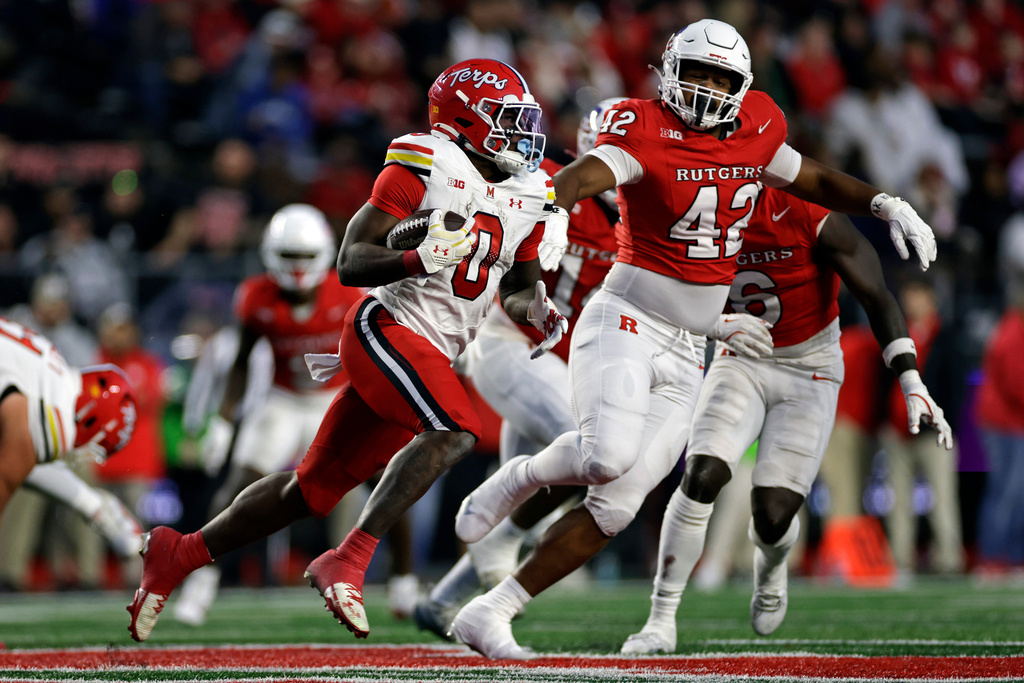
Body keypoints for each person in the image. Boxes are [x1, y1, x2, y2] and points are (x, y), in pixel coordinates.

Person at [449, 18, 940, 659]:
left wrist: (883, 203)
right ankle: (519, 478)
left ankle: (492, 611)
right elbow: (586, 173)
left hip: (691, 345)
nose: (708, 88)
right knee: (604, 459)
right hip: (627, 318)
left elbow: (809, 177)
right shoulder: (641, 124)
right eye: (698, 72)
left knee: (618, 505)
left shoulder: (761, 124)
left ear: (742, 87)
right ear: (670, 72)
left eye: (721, 77)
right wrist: (555, 206)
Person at [126, 58, 565, 644]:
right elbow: (351, 260)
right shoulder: (427, 162)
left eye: (523, 120)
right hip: (388, 326)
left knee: (308, 491)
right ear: (464, 123)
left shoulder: (530, 192)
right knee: (455, 430)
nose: (521, 134)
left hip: (433, 346)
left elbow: (515, 285)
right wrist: (415, 259)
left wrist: (534, 311)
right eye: (506, 120)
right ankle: (350, 558)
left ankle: (179, 552)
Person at [619, 186, 953, 654]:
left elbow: (876, 294)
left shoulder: (808, 214)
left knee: (773, 516)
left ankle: (772, 568)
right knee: (702, 474)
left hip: (808, 366)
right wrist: (711, 325)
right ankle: (661, 618)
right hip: (740, 356)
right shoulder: (695, 208)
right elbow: (659, 290)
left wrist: (911, 378)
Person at [413, 98, 626, 638]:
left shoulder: (643, 216)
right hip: (508, 343)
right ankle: (483, 570)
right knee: (588, 450)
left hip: (562, 361)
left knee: (527, 503)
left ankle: (441, 602)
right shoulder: (544, 184)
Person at [171, 204, 370, 626]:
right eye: (289, 256)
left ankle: (389, 578)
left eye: (304, 256)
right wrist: (224, 422)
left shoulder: (349, 293)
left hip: (333, 400)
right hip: (281, 399)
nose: (297, 267)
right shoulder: (255, 297)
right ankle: (202, 581)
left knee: (380, 479)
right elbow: (241, 362)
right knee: (237, 486)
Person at [0, 315, 139, 543]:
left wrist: (92, 505)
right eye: (96, 444)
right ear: (90, 419)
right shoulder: (57, 411)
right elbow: (12, 469)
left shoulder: (55, 373)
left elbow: (23, 461)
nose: (86, 450)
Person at [880, 277, 963, 579]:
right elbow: (883, 381)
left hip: (933, 430)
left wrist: (947, 424)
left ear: (932, 299)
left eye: (917, 294)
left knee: (943, 496)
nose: (912, 301)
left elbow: (955, 386)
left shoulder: (946, 336)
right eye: (908, 294)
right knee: (897, 500)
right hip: (897, 430)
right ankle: (900, 560)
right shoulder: (895, 333)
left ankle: (949, 559)